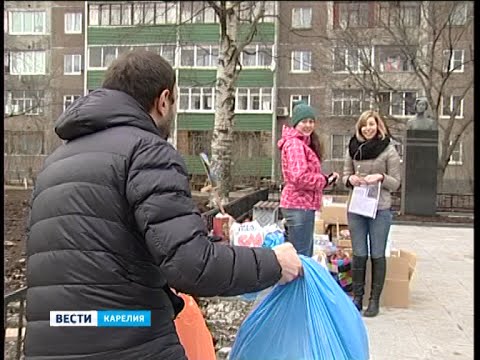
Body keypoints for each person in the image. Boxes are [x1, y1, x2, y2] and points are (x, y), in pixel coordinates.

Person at [24, 50, 302, 360]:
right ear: (164, 99)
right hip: (130, 344)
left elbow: (96, 256)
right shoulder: (147, 151)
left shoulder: (55, 162)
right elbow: (192, 266)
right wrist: (275, 263)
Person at [342, 110, 401, 317]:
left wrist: (380, 177)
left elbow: (396, 183)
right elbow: (345, 176)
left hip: (380, 208)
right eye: (364, 125)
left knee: (377, 253)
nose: (368, 128)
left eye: (372, 124)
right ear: (360, 128)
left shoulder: (389, 149)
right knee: (359, 252)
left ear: (378, 126)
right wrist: (350, 180)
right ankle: (357, 298)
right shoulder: (352, 148)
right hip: (357, 207)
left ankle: (374, 300)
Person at [278, 101, 339, 257]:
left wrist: (326, 179)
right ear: (296, 123)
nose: (308, 125)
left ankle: (298, 281)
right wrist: (323, 181)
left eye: (311, 121)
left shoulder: (302, 143)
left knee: (300, 254)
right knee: (301, 257)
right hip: (299, 205)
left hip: (301, 205)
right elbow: (299, 177)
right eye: (304, 121)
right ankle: (299, 282)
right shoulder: (295, 145)